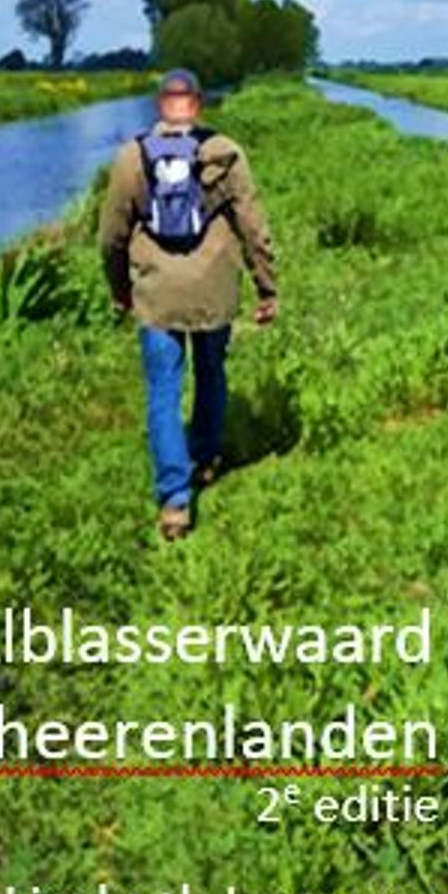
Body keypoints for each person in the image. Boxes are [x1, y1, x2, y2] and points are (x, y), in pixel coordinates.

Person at [98, 67, 278, 541]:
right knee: (211, 372)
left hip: (157, 294)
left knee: (163, 390)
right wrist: (267, 286)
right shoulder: (225, 152)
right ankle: (205, 456)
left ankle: (174, 502)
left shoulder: (131, 157)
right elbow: (253, 226)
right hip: (214, 289)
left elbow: (111, 236)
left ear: (161, 105)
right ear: (198, 104)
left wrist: (119, 287)